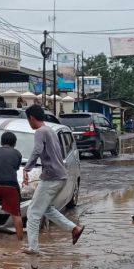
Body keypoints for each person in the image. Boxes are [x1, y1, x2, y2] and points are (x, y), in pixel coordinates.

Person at [22, 104, 85, 255]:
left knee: (33, 212)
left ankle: (33, 248)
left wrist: (27, 168)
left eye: (28, 119)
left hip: (51, 177)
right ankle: (74, 228)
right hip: (60, 175)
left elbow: (37, 150)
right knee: (47, 209)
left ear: (31, 118)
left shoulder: (40, 132)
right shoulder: (50, 130)